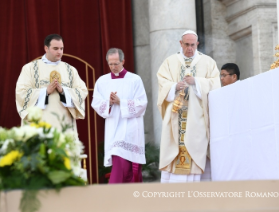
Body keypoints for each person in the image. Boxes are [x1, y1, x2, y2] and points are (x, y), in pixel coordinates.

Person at [157, 30, 221, 183]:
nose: (190, 48)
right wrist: (174, 86)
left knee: (195, 146)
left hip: (196, 119)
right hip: (175, 117)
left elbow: (215, 85)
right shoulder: (170, 62)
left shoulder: (208, 62)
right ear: (181, 44)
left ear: (197, 44)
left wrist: (197, 82)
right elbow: (162, 83)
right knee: (173, 148)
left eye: (193, 45)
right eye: (187, 44)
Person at [16, 34, 88, 139]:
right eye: (55, 48)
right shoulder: (30, 68)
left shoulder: (70, 70)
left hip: (64, 126)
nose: (59, 52)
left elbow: (82, 91)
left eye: (61, 48)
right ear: (46, 48)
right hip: (39, 126)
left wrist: (64, 91)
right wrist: (45, 92)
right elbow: (21, 93)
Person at [91, 48, 148, 184]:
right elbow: (96, 103)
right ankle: (118, 198)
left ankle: (122, 197)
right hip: (113, 128)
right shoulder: (102, 81)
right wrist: (109, 103)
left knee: (128, 167)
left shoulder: (135, 80)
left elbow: (142, 104)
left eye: (116, 63)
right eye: (110, 64)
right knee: (120, 161)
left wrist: (120, 102)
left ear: (123, 61)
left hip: (130, 128)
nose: (113, 67)